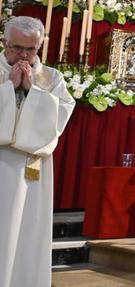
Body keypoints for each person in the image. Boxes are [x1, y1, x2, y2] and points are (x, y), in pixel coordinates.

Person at [0, 16, 75, 286]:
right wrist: (8, 88)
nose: (23, 56)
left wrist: (33, 91)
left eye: (30, 50)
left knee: (27, 231)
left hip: (31, 168)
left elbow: (61, 115)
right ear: (4, 42)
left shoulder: (51, 78)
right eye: (17, 48)